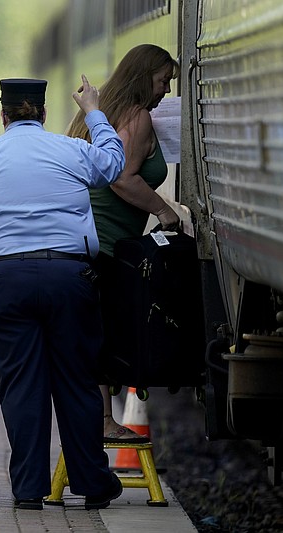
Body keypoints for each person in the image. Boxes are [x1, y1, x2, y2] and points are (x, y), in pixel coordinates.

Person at [0, 76, 125, 510]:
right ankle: (93, 482)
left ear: (3, 115)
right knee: (76, 381)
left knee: (21, 386)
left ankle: (28, 489)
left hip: (4, 283)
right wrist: (94, 111)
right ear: (42, 113)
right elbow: (114, 164)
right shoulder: (69, 150)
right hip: (68, 278)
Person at [65, 44, 181, 443]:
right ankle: (102, 422)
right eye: (162, 79)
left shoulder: (99, 114)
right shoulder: (137, 116)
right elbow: (122, 177)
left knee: (94, 328)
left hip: (83, 236)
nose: (166, 88)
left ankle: (97, 419)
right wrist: (165, 212)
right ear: (143, 75)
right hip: (107, 241)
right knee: (104, 331)